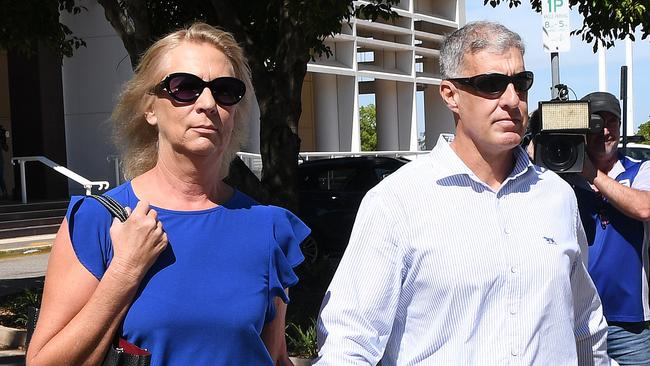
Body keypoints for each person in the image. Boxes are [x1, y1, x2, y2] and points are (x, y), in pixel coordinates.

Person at [315, 21, 611, 365]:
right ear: (450, 95)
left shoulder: (556, 197)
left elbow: (584, 323)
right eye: (491, 85)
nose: (512, 100)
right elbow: (349, 343)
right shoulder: (396, 202)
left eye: (521, 83)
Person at [26, 23, 310, 366]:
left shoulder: (268, 229)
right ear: (149, 108)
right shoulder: (97, 221)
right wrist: (124, 271)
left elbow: (275, 357)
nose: (207, 103)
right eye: (185, 88)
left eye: (225, 90)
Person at [569, 91, 650, 365]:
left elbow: (643, 207)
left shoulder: (639, 170)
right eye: (595, 123)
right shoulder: (563, 180)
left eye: (612, 122)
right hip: (577, 319)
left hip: (629, 322)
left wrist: (591, 173)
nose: (604, 131)